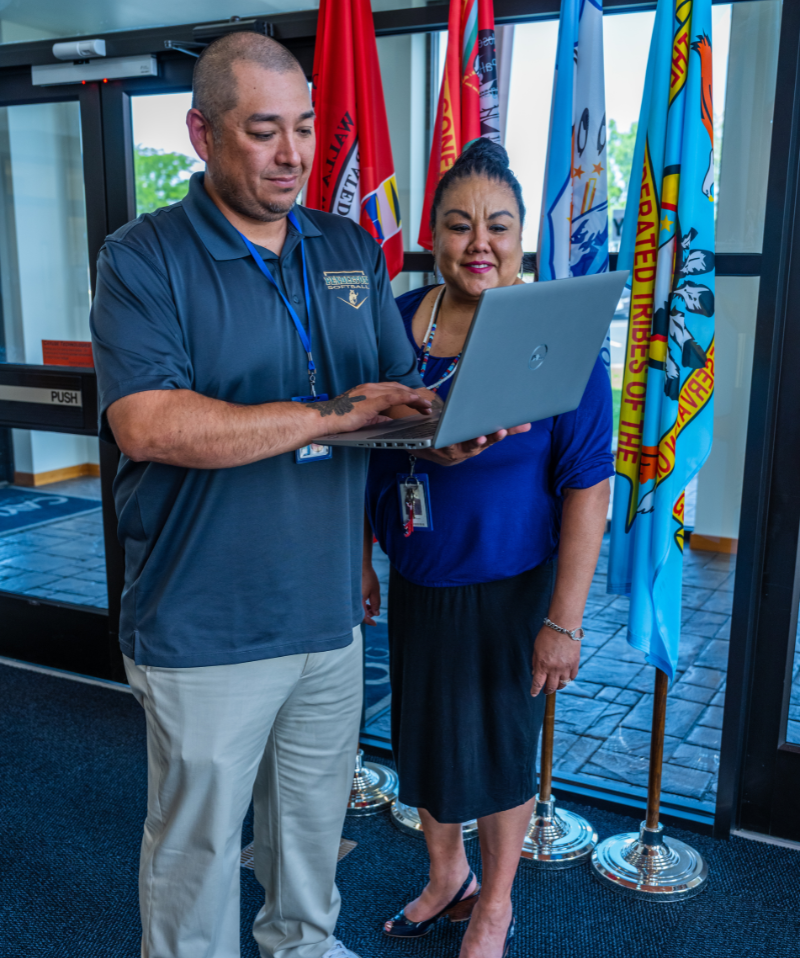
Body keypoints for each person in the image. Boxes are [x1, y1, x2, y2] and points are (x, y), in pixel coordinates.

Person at [90, 33, 520, 958]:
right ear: (202, 134)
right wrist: (328, 416)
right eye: (264, 131)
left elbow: (379, 403)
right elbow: (151, 425)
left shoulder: (347, 244)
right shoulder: (143, 258)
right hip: (203, 627)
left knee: (309, 840)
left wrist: (436, 435)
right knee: (198, 852)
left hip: (327, 619)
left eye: (307, 129)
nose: (294, 155)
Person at [363, 140, 613, 958]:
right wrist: (362, 553)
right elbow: (366, 449)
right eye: (460, 224)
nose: (480, 242)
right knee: (426, 740)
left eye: (498, 226)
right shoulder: (399, 322)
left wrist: (564, 621)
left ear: (520, 236)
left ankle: (496, 905)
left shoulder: (556, 328)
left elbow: (587, 480)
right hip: (420, 570)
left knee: (502, 751)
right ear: (431, 232)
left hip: (514, 584)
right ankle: (447, 879)